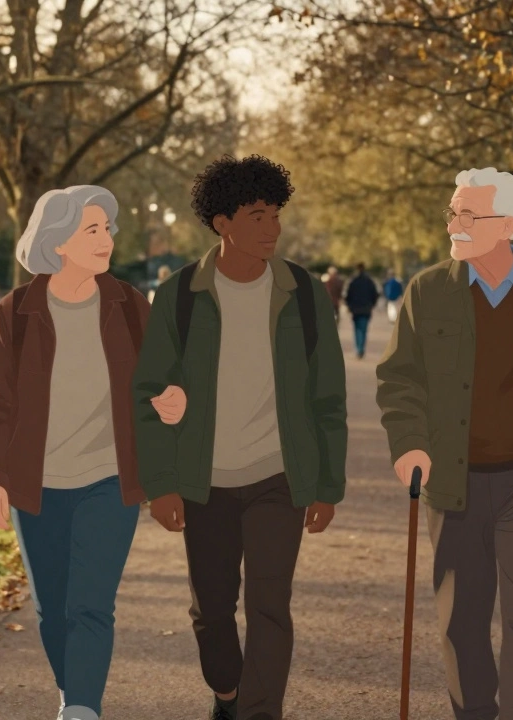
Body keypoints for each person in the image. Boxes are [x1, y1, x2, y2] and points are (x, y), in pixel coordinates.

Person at [374, 167, 513, 720]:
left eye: (467, 215)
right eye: (452, 213)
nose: (454, 224)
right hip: (453, 481)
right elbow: (399, 378)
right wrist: (409, 443)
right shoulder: (428, 292)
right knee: (462, 618)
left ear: (506, 226)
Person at [133, 155, 348, 720]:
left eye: (276, 215)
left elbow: (328, 398)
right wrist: (161, 483)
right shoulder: (180, 295)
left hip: (278, 477)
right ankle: (227, 693)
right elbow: (149, 395)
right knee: (212, 611)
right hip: (204, 483)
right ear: (223, 223)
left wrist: (327, 484)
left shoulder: (303, 294)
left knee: (270, 605)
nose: (272, 228)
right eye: (257, 216)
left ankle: (259, 713)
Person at [0, 185, 184, 720]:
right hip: (35, 484)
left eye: (107, 229)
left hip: (110, 479)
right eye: (93, 230)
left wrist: (174, 400)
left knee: (91, 604)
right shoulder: (16, 313)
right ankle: (74, 688)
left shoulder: (129, 306)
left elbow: (166, 378)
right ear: (58, 241)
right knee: (51, 609)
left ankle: (81, 707)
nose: (106, 239)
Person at [342, 263, 378, 359]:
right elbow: (375, 294)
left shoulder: (352, 281)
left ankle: (358, 348)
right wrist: (372, 304)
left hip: (355, 309)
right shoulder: (369, 281)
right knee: (364, 329)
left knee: (357, 329)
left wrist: (349, 305)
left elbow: (347, 295)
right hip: (366, 308)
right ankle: (361, 348)